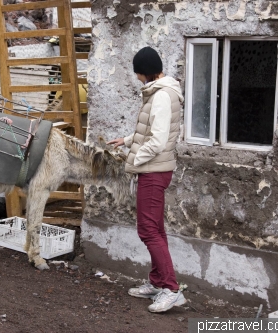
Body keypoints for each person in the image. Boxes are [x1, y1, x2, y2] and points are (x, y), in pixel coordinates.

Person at [107, 46, 185, 313]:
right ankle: (157, 281)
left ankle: (171, 289)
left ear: (145, 72)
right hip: (155, 168)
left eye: (138, 73)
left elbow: (157, 141)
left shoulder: (162, 96)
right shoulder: (160, 92)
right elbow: (149, 129)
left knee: (148, 230)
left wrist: (134, 159)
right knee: (156, 229)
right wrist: (127, 140)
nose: (137, 78)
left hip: (153, 170)